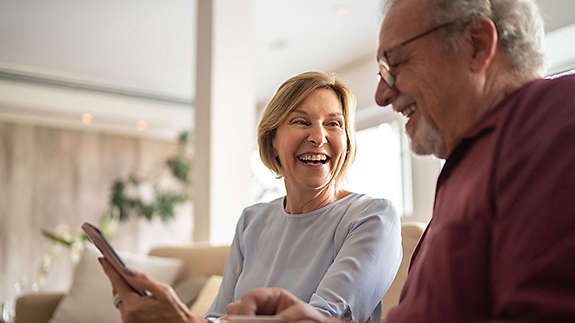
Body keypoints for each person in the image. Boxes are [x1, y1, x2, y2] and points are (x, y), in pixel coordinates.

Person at [224, 0, 575, 322]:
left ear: (477, 44)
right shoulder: (469, 168)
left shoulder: (558, 123)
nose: (381, 95)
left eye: (395, 64)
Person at [99, 71, 403, 323]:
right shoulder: (252, 221)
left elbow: (318, 318)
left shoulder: (371, 217)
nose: (318, 136)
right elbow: (218, 316)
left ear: (347, 142)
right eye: (301, 121)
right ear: (272, 142)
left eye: (333, 124)